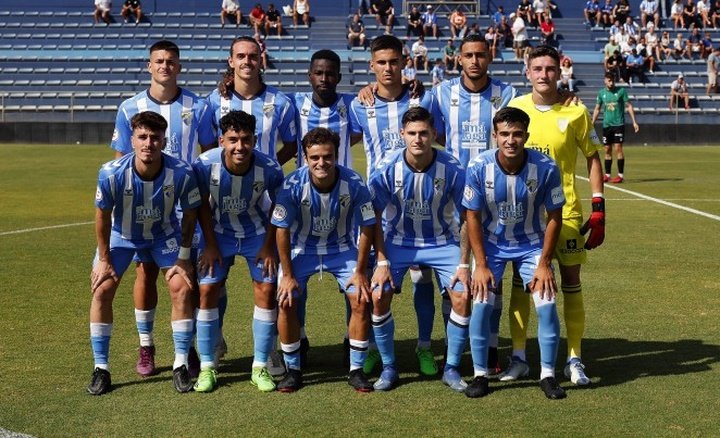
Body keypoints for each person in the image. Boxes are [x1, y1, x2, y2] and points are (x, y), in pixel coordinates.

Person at [110, 40, 216, 379]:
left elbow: (209, 153)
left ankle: (189, 347)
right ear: (149, 65)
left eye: (171, 61)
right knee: (145, 274)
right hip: (145, 207)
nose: (165, 66)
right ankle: (147, 345)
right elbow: (120, 161)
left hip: (186, 206)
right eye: (159, 60)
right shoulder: (130, 107)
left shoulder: (197, 106)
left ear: (179, 66)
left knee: (188, 278)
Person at [505, 45, 605, 387]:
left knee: (571, 284)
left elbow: (593, 157)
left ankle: (574, 359)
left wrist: (599, 205)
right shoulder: (515, 108)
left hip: (568, 214)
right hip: (525, 218)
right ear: (528, 72)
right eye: (538, 68)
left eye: (550, 68)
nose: (544, 74)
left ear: (559, 71)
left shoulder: (575, 112)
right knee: (521, 285)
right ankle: (518, 357)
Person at [88, 111, 201, 396]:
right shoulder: (111, 173)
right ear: (133, 139)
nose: (148, 143)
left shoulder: (182, 173)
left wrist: (184, 256)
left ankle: (180, 364)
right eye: (142, 137)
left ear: (164, 141)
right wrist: (104, 259)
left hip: (164, 236)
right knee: (102, 289)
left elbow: (189, 216)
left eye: (154, 138)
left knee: (182, 287)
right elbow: (101, 218)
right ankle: (101, 369)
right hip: (122, 236)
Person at [349, 35, 441, 377]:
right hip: (376, 206)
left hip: (419, 202)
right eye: (381, 63)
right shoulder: (359, 105)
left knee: (422, 278)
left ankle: (424, 347)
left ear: (405, 63)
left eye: (394, 62)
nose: (389, 68)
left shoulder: (423, 97)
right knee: (377, 284)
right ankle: (373, 348)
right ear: (372, 66)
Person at [463, 106, 566, 399]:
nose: (511, 140)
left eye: (517, 134)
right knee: (481, 302)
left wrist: (545, 262)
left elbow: (554, 216)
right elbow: (471, 216)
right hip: (491, 245)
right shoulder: (478, 167)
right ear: (494, 136)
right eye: (505, 134)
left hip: (532, 244)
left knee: (546, 302)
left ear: (526, 136)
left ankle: (547, 374)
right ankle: (480, 374)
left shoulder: (545, 167)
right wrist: (480, 264)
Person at [432, 34, 519, 371]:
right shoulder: (440, 92)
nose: (474, 61)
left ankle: (491, 346)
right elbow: (419, 123)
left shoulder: (507, 93)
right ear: (459, 59)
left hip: (493, 196)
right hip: (451, 197)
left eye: (480, 55)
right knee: (452, 276)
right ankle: (450, 345)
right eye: (468, 55)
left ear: (490, 57)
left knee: (489, 276)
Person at [367, 107, 469, 392]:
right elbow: (372, 214)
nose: (418, 139)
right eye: (412, 133)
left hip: (442, 241)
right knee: (378, 295)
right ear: (402, 135)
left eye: (424, 133)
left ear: (433, 134)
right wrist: (382, 260)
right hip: (398, 242)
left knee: (462, 295)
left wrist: (463, 263)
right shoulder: (387, 167)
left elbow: (468, 215)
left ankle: (451, 368)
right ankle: (389, 367)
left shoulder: (452, 167)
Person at [272, 127, 381, 393]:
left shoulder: (354, 182)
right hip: (302, 249)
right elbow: (281, 230)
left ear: (336, 156)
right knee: (286, 300)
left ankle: (356, 370)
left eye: (328, 157)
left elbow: (368, 226)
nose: (322, 163)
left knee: (360, 297)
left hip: (341, 248)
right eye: (315, 157)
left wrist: (359, 271)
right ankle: (293, 369)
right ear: (306, 158)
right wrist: (286, 275)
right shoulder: (292, 185)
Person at [191, 110, 285, 393]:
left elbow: (278, 209)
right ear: (221, 140)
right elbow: (201, 206)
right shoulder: (204, 165)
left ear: (254, 140)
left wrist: (269, 246)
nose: (239, 146)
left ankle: (260, 366)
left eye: (245, 139)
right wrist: (208, 244)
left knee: (266, 290)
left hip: (257, 233)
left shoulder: (269, 167)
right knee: (207, 290)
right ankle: (207, 366)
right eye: (233, 140)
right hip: (218, 233)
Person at [207, 36, 297, 166]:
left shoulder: (280, 102)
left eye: (253, 57)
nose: (247, 61)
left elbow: (291, 145)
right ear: (231, 61)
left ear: (261, 61)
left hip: (265, 185)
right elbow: (208, 144)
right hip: (225, 183)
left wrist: (269, 167)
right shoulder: (214, 100)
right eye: (241, 56)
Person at [592, 72, 639, 184]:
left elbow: (629, 106)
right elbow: (597, 109)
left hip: (618, 124)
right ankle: (607, 175)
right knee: (607, 149)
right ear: (605, 81)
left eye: (612, 80)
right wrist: (592, 122)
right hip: (606, 125)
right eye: (609, 80)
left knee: (618, 148)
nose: (611, 82)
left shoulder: (621, 91)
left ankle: (620, 175)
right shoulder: (601, 93)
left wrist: (634, 122)